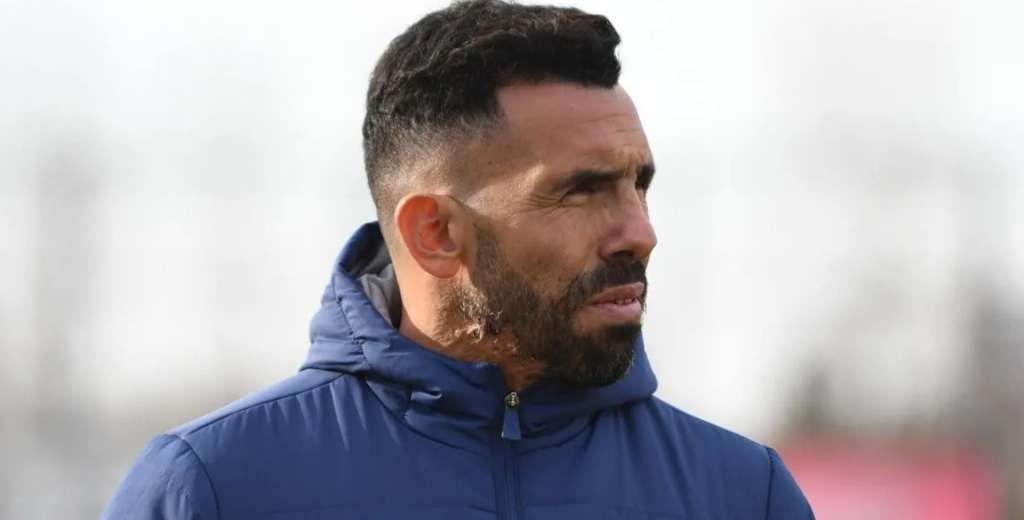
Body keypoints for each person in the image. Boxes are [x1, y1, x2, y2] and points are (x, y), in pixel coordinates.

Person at [102, 1, 815, 518]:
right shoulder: (217, 487)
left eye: (639, 185)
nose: (640, 232)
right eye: (583, 191)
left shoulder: (741, 494)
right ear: (435, 233)